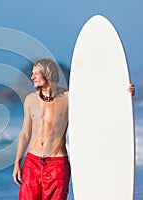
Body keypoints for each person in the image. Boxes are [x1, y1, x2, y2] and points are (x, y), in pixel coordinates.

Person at [12, 58, 135, 200]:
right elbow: (25, 134)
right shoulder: (30, 99)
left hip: (57, 164)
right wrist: (17, 163)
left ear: (48, 73)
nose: (32, 77)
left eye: (36, 74)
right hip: (32, 163)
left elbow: (98, 100)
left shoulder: (69, 97)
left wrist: (123, 93)